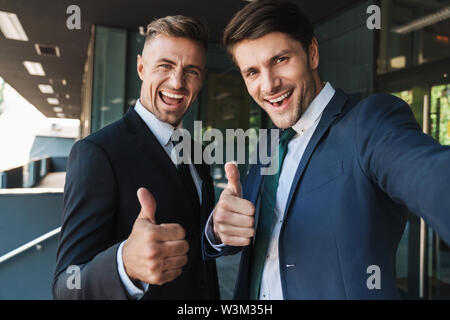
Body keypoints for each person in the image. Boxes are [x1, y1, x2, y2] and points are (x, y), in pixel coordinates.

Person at [202, 0, 450, 299]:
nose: (268, 85)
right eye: (252, 72)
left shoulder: (369, 123)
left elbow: (431, 176)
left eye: (280, 60)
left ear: (312, 53)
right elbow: (253, 234)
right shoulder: (269, 144)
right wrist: (219, 228)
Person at [53, 15, 220, 300]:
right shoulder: (97, 153)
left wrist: (216, 234)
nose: (177, 82)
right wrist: (124, 265)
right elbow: (66, 287)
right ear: (141, 67)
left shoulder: (197, 153)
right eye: (165, 66)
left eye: (191, 71)